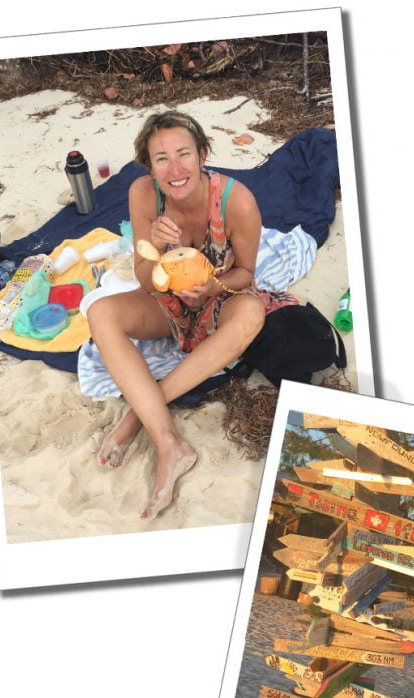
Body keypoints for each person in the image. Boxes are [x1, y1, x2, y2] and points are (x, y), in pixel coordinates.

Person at [86, 110, 298, 520]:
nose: (175, 168)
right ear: (149, 166)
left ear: (203, 154)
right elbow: (147, 279)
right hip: (167, 304)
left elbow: (246, 274)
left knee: (252, 312)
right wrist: (155, 245)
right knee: (100, 311)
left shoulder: (237, 201)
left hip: (219, 299)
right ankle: (169, 443)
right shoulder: (144, 194)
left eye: (184, 153)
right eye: (161, 158)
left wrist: (213, 287)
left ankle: (136, 416)